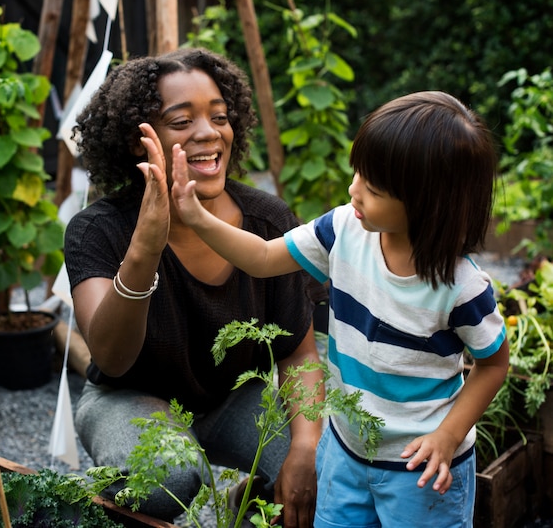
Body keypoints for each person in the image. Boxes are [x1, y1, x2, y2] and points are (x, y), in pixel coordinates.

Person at [166, 90, 510, 527]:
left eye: (373, 186)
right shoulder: (344, 228)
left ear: (427, 204)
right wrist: (197, 218)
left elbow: (494, 364)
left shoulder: (460, 287)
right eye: (358, 174)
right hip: (345, 450)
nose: (354, 190)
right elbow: (264, 257)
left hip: (420, 471)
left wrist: (448, 435)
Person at [64, 48, 325, 526]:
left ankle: (242, 500)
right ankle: (97, 498)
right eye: (181, 121)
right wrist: (145, 247)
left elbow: (298, 354)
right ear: (137, 140)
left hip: (231, 399)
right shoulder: (97, 230)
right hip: (128, 399)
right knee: (167, 477)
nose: (209, 132)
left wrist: (306, 448)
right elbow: (111, 356)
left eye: (220, 117)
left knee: (324, 467)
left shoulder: (266, 221)